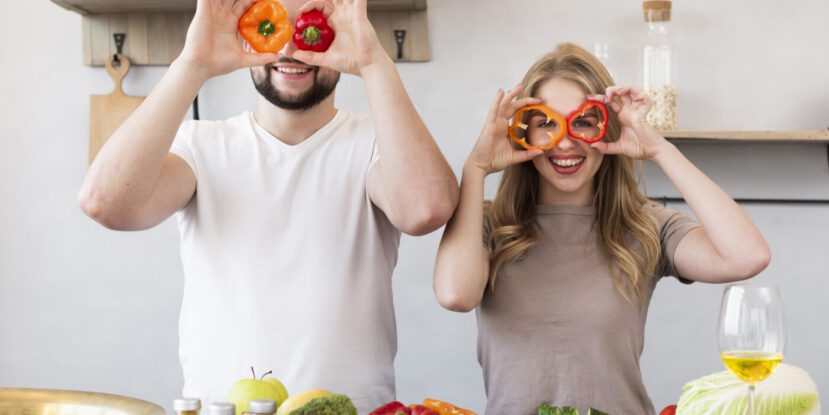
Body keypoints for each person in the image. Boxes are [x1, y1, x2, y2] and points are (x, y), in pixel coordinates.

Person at [77, 0, 458, 412]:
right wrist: (192, 64)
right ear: (245, 33)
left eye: (310, 27)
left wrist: (374, 63)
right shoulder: (200, 145)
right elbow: (105, 203)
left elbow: (425, 210)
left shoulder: (377, 146)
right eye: (272, 25)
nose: (291, 47)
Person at [432, 43, 770, 415]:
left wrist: (658, 148)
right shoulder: (486, 223)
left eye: (583, 121)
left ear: (606, 128)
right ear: (522, 130)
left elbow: (746, 256)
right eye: (546, 123)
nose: (564, 140)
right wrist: (476, 166)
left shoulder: (645, 225)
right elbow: (455, 296)